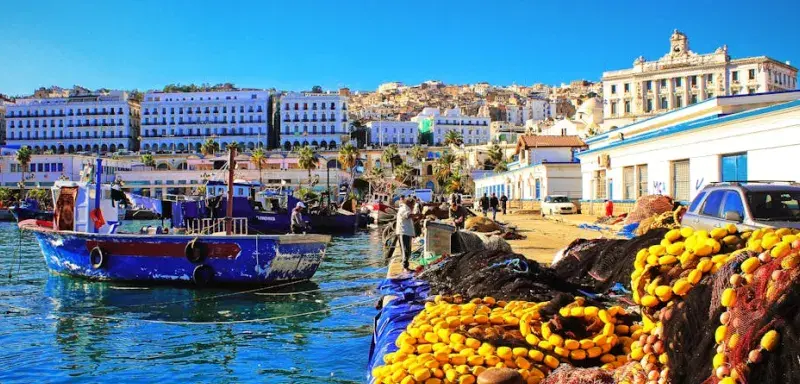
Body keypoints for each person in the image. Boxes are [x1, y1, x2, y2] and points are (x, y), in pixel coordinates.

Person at [396, 197, 416, 271]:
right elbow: (407, 215)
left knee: (408, 250)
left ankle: (406, 266)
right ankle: (405, 267)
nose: (413, 207)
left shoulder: (406, 208)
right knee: (405, 250)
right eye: (413, 205)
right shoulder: (404, 208)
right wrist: (417, 215)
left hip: (407, 232)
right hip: (404, 232)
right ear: (409, 203)